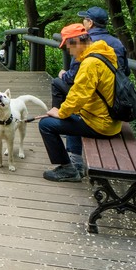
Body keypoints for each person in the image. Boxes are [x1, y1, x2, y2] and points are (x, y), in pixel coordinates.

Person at [38, 23, 122, 182]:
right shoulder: (103, 53)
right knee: (73, 115)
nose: (69, 52)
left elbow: (78, 95)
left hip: (100, 124)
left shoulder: (90, 64)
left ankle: (67, 169)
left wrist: (60, 113)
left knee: (46, 125)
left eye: (68, 47)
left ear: (76, 42)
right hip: (109, 119)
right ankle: (76, 163)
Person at [50, 6, 128, 109]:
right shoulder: (118, 43)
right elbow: (125, 71)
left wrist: (63, 75)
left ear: (90, 23)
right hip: (116, 94)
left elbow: (72, 77)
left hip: (94, 96)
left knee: (57, 82)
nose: (82, 22)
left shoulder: (84, 43)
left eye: (84, 19)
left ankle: (59, 118)